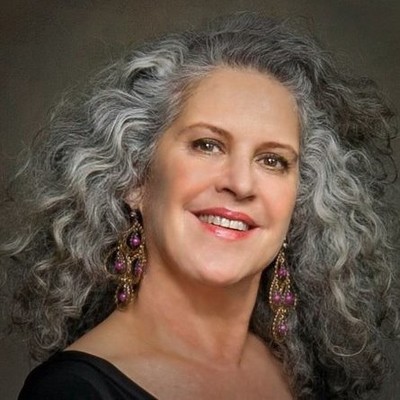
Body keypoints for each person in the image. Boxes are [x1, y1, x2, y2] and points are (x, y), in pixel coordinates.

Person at [2, 12, 399, 400]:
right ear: (135, 177)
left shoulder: (306, 377)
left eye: (272, 160)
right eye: (207, 145)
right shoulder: (71, 391)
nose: (240, 184)